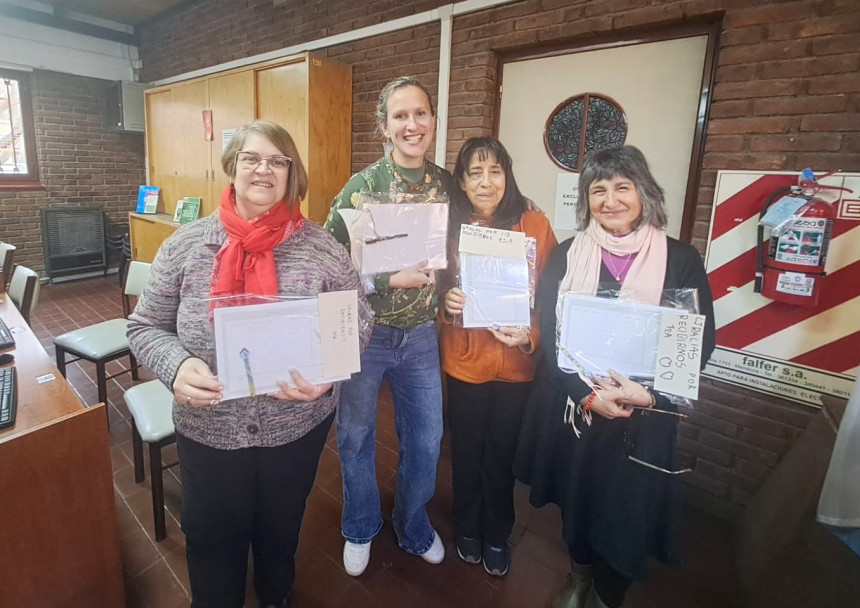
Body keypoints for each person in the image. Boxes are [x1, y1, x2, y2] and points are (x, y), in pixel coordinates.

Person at [127, 120, 373, 608]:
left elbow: (358, 320)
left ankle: (275, 596)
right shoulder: (186, 245)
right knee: (213, 542)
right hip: (210, 429)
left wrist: (326, 377)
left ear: (291, 173)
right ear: (232, 167)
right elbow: (142, 327)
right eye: (252, 158)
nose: (264, 169)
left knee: (280, 533)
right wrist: (175, 366)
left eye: (277, 160)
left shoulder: (322, 247)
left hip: (296, 430)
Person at [514, 146, 716, 608]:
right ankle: (579, 575)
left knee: (625, 513)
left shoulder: (680, 259)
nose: (610, 200)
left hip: (642, 418)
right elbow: (553, 335)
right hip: (579, 411)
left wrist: (647, 395)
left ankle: (609, 595)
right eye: (598, 190)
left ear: (643, 192)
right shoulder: (568, 255)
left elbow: (696, 344)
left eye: (622, 187)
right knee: (577, 500)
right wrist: (586, 396)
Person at [323, 76, 454, 577]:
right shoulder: (362, 189)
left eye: (420, 113)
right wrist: (383, 278)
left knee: (425, 439)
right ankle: (360, 524)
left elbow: (475, 231)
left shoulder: (445, 185)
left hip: (421, 335)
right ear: (384, 127)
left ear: (433, 121)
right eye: (400, 116)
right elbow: (327, 264)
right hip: (366, 335)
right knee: (355, 435)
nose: (411, 124)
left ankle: (412, 524)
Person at [439, 137, 556, 576]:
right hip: (465, 360)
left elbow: (551, 297)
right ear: (462, 183)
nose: (486, 182)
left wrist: (531, 335)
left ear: (507, 175)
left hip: (516, 366)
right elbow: (431, 287)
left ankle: (497, 530)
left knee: (502, 453)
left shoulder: (535, 225)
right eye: (475, 173)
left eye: (495, 171)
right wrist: (445, 302)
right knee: (465, 449)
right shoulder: (449, 226)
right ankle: (466, 526)